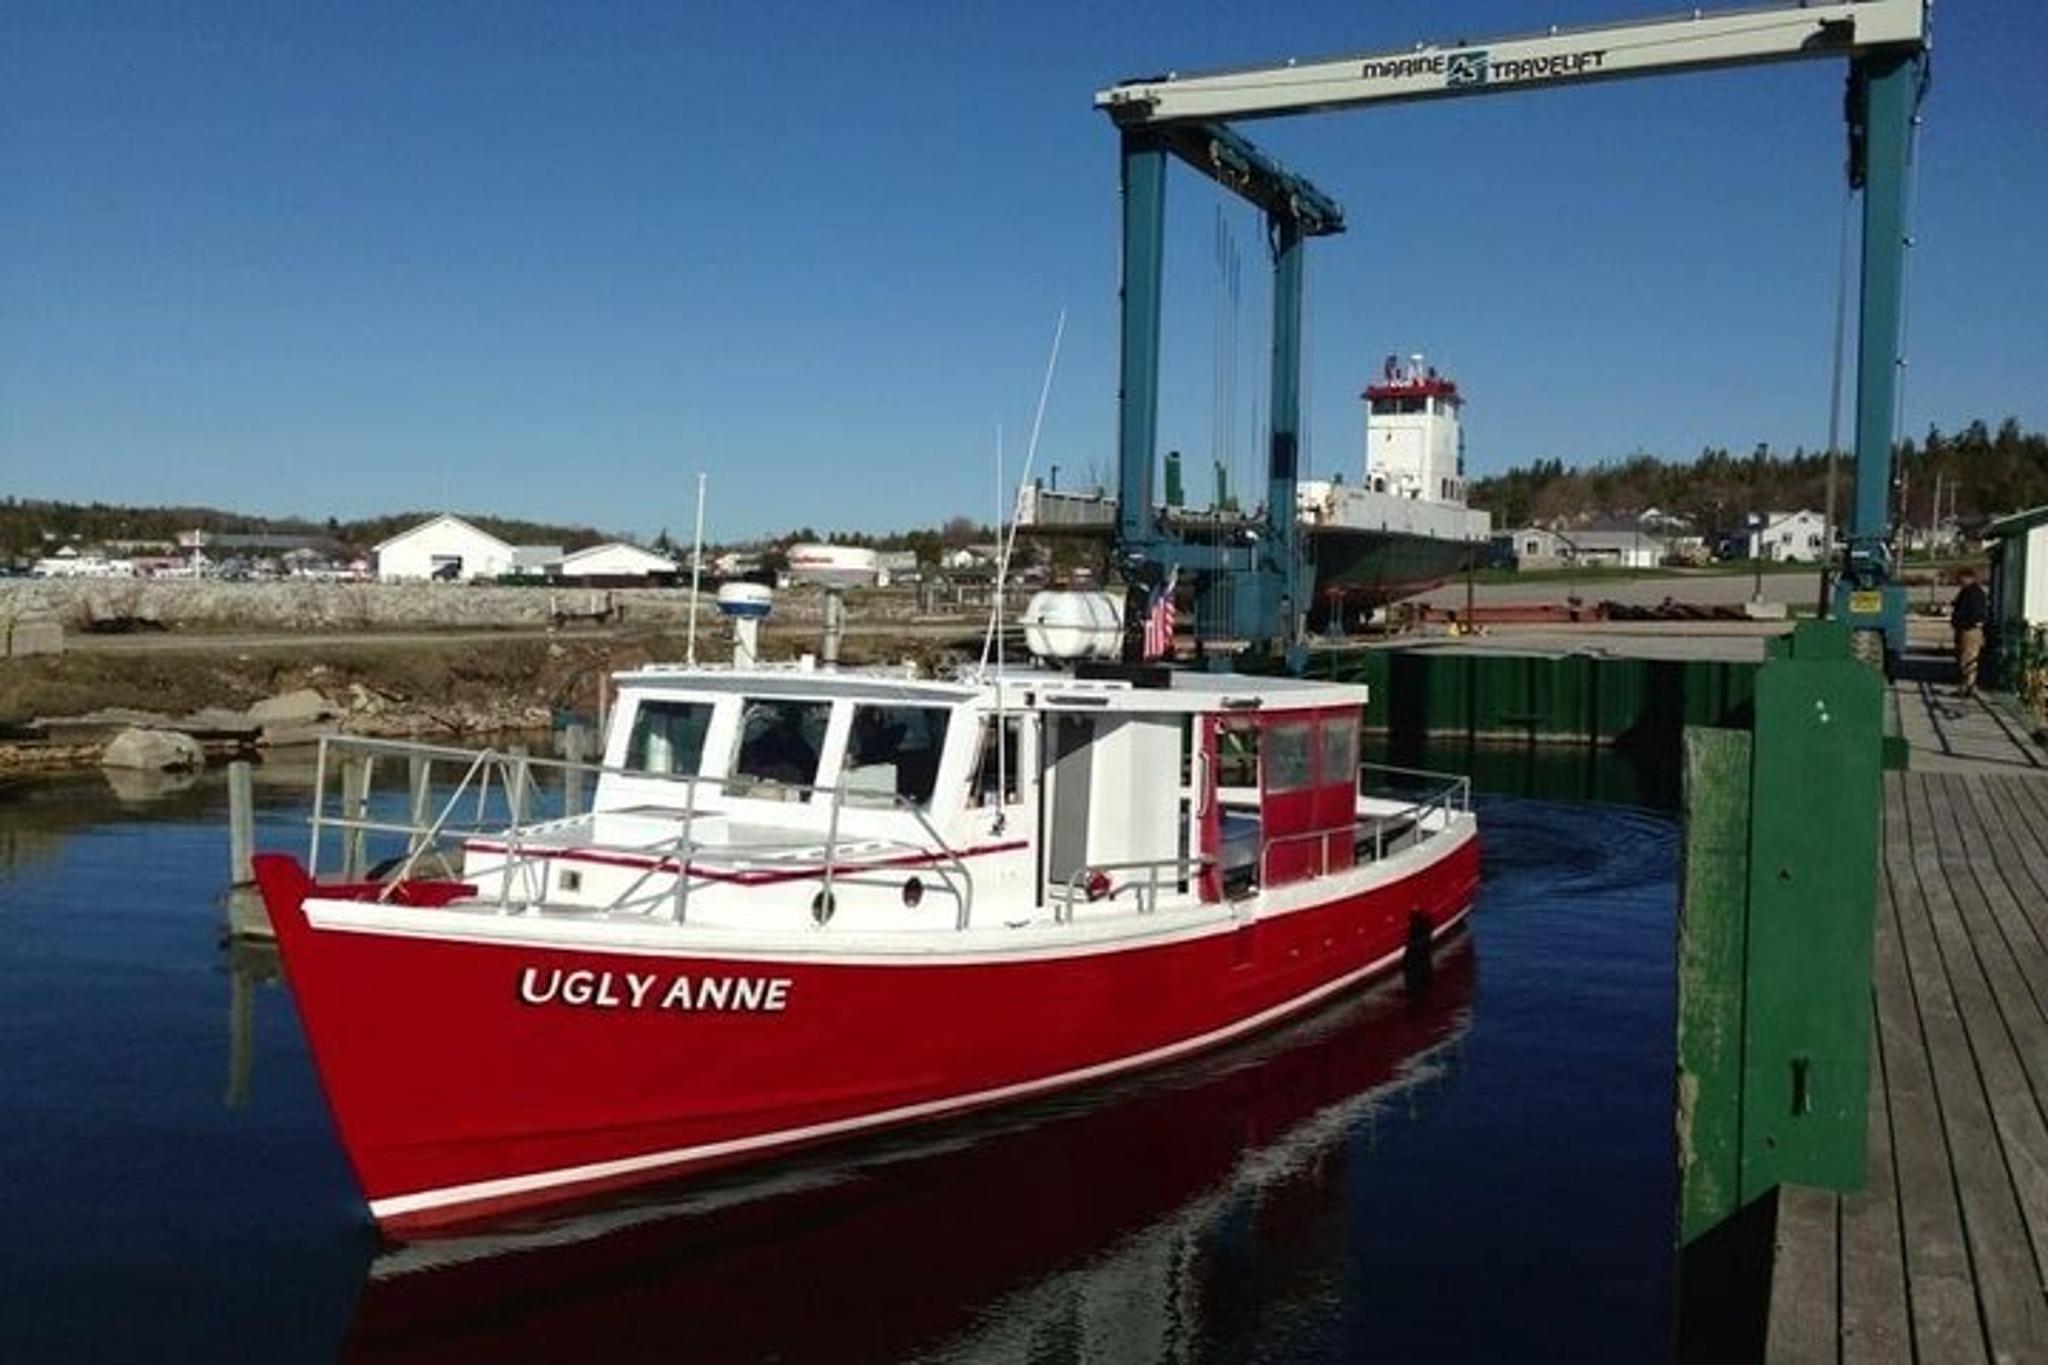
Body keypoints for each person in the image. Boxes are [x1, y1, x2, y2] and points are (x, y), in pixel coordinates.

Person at [1950, 567, 1989, 697]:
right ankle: (1968, 686)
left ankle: (1968, 687)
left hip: (1969, 630)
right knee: (1967, 658)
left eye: (1961, 578)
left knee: (1968, 658)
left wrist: (1965, 623)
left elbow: (1976, 613)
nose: (1959, 581)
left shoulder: (1973, 593)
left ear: (1968, 577)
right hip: (1967, 628)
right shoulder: (1970, 591)